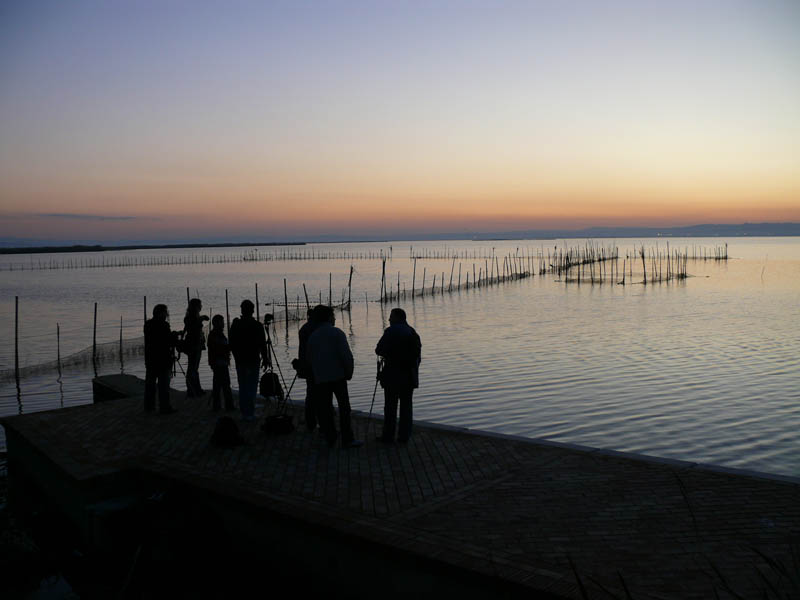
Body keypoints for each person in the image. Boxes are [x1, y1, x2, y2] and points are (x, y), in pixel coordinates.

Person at [306, 305, 362, 449]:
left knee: (325, 409)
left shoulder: (313, 336)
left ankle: (330, 437)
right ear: (329, 318)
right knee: (344, 408)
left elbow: (310, 359)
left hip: (321, 378)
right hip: (338, 377)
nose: (335, 319)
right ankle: (347, 438)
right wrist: (349, 372)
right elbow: (346, 356)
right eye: (333, 316)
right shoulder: (337, 333)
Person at [375, 308, 421, 443]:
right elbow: (417, 356)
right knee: (406, 407)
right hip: (409, 376)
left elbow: (379, 350)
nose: (389, 319)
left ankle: (388, 436)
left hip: (392, 375)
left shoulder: (390, 331)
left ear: (398, 318)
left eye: (391, 317)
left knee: (390, 406)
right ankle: (404, 436)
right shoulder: (412, 332)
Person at [229, 299, 268, 421]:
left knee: (243, 387)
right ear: (253, 311)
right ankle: (249, 412)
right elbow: (263, 344)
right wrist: (265, 358)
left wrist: (236, 356)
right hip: (253, 360)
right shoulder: (257, 326)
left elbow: (232, 343)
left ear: (242, 310)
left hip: (240, 360)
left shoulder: (236, 325)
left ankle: (244, 412)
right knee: (251, 387)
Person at [293, 307, 326, 432]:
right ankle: (321, 423)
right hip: (316, 366)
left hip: (307, 366)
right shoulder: (316, 329)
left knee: (311, 394)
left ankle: (310, 422)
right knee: (321, 395)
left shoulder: (304, 329)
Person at [143, 304, 177, 414]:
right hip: (163, 360)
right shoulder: (164, 325)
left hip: (151, 359)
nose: (166, 314)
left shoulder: (148, 324)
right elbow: (167, 341)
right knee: (163, 386)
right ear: (161, 313)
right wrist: (174, 336)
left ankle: (149, 407)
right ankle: (164, 407)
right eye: (165, 312)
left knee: (150, 385)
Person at [207, 314, 234, 412]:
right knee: (225, 385)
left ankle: (217, 406)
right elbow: (220, 348)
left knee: (218, 385)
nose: (223, 323)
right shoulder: (215, 335)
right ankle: (228, 406)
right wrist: (229, 347)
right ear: (217, 323)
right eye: (222, 322)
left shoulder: (215, 334)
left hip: (218, 362)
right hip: (219, 363)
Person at [183, 298, 209, 398]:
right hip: (194, 345)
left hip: (197, 345)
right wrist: (202, 317)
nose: (201, 306)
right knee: (192, 368)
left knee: (194, 368)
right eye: (200, 305)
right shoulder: (191, 317)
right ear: (196, 306)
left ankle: (196, 388)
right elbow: (193, 324)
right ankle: (192, 390)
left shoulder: (193, 316)